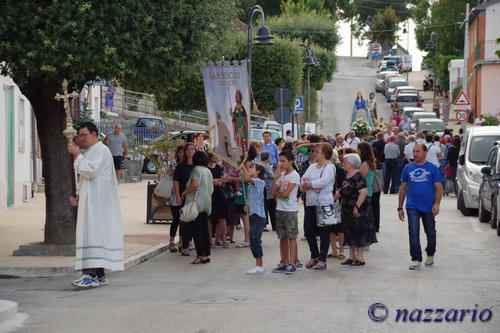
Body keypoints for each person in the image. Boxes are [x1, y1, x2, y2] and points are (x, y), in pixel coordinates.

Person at [69, 122, 123, 288]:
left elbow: (91, 171)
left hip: (97, 204)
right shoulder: (93, 151)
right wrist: (79, 195)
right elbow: (88, 179)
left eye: (83, 135)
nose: (80, 138)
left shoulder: (101, 150)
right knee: (94, 236)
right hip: (91, 201)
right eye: (79, 135)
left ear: (94, 134)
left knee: (92, 235)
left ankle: (90, 274)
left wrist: (77, 156)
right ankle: (99, 275)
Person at [398, 144, 443, 270]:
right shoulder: (408, 168)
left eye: (418, 151)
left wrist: (437, 204)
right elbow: (403, 188)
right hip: (412, 205)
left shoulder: (433, 168)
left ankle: (430, 252)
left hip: (429, 207)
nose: (415, 154)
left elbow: (439, 188)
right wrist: (400, 207)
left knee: (431, 233)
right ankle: (416, 258)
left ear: (425, 153)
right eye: (413, 151)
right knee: (413, 232)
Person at [301, 143, 335, 270]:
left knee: (323, 232)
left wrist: (310, 184)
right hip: (311, 202)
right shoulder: (312, 167)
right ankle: (314, 255)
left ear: (325, 154)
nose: (315, 153)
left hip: (324, 203)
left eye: (318, 151)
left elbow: (324, 181)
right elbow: (303, 179)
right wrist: (311, 185)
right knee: (308, 229)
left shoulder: (329, 167)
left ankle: (322, 259)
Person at [335, 153, 371, 266]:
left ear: (351, 164)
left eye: (345, 162)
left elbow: (363, 192)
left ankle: (360, 258)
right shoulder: (347, 175)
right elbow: (343, 191)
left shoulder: (358, 176)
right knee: (349, 231)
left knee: (358, 231)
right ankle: (352, 257)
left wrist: (357, 207)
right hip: (346, 209)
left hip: (357, 209)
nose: (343, 164)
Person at [271, 151, 301, 274]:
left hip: (290, 210)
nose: (281, 163)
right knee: (282, 237)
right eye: (280, 161)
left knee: (291, 237)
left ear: (291, 161)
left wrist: (278, 193)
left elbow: (286, 193)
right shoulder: (281, 175)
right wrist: (276, 179)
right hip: (280, 209)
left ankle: (292, 263)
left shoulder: (294, 175)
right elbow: (272, 192)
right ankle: (284, 261)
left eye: (283, 161)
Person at [182, 151, 214, 264]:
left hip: (196, 204)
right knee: (204, 230)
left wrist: (185, 192)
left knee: (196, 231)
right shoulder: (208, 171)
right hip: (206, 203)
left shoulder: (196, 170)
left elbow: (194, 185)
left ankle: (200, 255)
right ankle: (206, 254)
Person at [241, 162, 267, 275]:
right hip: (253, 215)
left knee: (255, 240)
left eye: (252, 167)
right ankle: (258, 264)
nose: (249, 169)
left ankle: (259, 265)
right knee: (253, 240)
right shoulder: (252, 184)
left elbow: (247, 178)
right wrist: (247, 206)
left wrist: (241, 165)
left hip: (258, 215)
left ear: (258, 172)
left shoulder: (259, 182)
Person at [174, 143, 196, 256]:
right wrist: (177, 195)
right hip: (183, 197)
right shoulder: (180, 166)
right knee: (184, 221)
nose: (190, 151)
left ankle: (190, 242)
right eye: (188, 149)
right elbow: (176, 182)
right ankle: (185, 245)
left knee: (194, 221)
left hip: (195, 198)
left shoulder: (197, 166)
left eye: (192, 149)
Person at [207, 153, 228, 249]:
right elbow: (206, 182)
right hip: (208, 194)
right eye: (215, 156)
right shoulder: (205, 168)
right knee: (209, 219)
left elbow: (224, 180)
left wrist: (214, 181)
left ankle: (223, 240)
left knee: (222, 218)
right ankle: (210, 241)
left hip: (220, 195)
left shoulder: (221, 167)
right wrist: (216, 181)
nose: (217, 158)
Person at [328, 150, 346, 260]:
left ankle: (341, 250)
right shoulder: (325, 169)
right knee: (330, 227)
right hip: (327, 200)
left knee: (339, 227)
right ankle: (333, 250)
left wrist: (340, 201)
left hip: (337, 200)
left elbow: (343, 187)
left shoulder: (339, 170)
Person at [168, 144, 185, 252]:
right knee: (176, 219)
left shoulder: (190, 164)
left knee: (185, 220)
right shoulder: (174, 164)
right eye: (180, 152)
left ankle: (183, 241)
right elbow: (171, 175)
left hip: (186, 195)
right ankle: (171, 241)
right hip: (174, 195)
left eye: (184, 152)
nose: (182, 154)